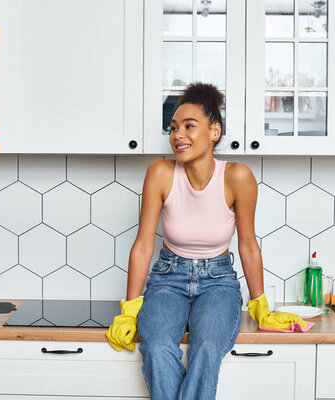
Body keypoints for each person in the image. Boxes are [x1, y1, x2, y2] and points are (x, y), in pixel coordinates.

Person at [106, 82, 305, 400]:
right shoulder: (160, 173)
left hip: (219, 282)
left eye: (189, 126)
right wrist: (129, 310)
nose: (177, 135)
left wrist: (260, 304)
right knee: (156, 347)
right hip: (167, 280)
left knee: (207, 347)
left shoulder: (237, 177)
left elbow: (248, 245)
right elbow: (143, 245)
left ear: (215, 131)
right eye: (173, 128)